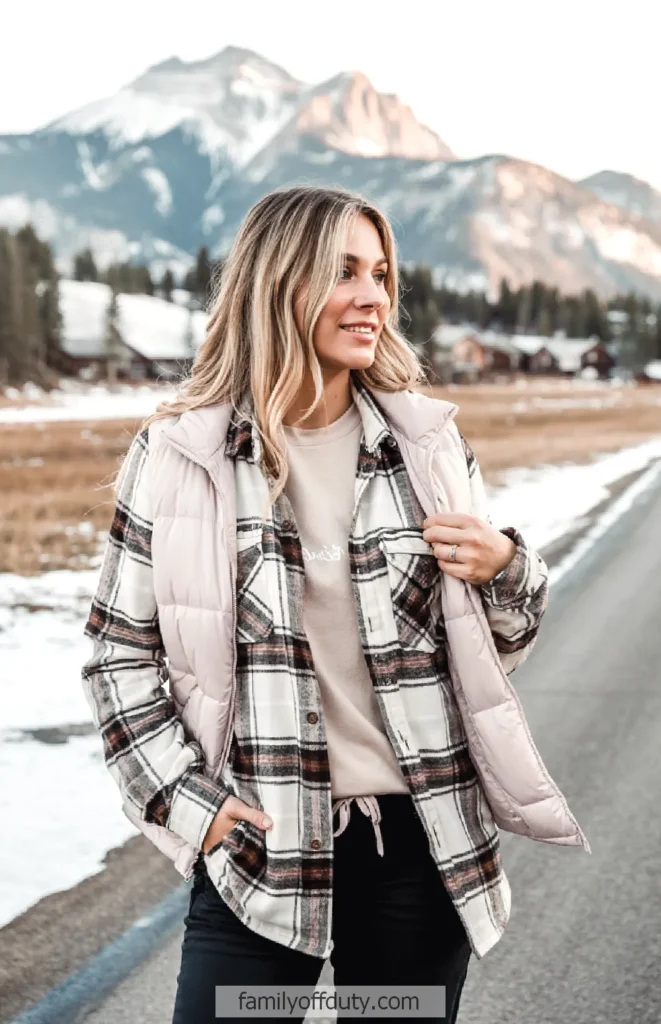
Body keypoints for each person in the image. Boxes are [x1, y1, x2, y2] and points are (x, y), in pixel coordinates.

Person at [81, 185, 589, 1024]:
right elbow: (118, 655)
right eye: (344, 272)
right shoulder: (182, 455)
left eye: (381, 274)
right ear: (278, 283)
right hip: (261, 847)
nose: (373, 299)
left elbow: (500, 643)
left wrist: (505, 567)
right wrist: (189, 803)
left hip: (416, 853)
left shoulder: (424, 446)